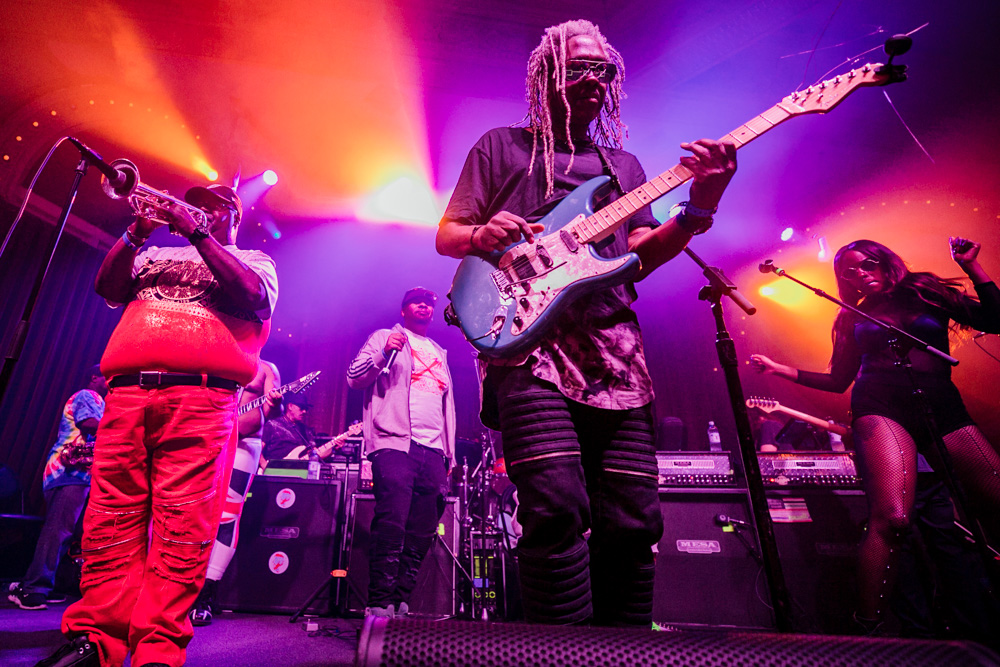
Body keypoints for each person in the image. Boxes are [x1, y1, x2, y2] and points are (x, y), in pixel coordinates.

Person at [435, 19, 737, 627]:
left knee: (633, 514)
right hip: (528, 347)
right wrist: (481, 234)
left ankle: (626, 647)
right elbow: (448, 236)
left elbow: (642, 255)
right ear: (546, 76)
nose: (594, 78)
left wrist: (701, 206)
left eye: (603, 68)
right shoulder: (501, 147)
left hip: (613, 354)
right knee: (554, 506)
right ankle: (561, 648)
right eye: (579, 67)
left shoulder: (621, 165)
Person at [37, 183, 278, 667]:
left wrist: (198, 233)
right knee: (108, 522)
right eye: (194, 204)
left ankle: (156, 651)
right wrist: (136, 231)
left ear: (232, 214)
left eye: (212, 205)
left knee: (182, 528)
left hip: (201, 396)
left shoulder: (255, 260)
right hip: (127, 393)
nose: (198, 210)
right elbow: (107, 289)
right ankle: (95, 642)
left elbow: (253, 297)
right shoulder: (155, 252)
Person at [750, 237, 1000, 633]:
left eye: (866, 265)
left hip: (941, 404)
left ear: (885, 262)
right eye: (849, 273)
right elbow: (837, 380)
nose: (859, 276)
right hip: (880, 407)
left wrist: (973, 267)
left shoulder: (926, 291)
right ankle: (868, 627)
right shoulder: (852, 314)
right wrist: (781, 370)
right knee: (893, 518)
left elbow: (996, 320)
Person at [346, 287, 457, 618]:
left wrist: (448, 452)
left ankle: (401, 599)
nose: (425, 306)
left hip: (434, 449)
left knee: (423, 530)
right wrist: (383, 353)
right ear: (404, 309)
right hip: (394, 443)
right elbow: (354, 378)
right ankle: (379, 602)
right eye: (417, 301)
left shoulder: (439, 351)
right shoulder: (385, 336)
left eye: (430, 303)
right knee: (392, 522)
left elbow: (445, 404)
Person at [189, 360, 282, 626]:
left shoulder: (266, 369)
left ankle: (206, 593)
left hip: (244, 445)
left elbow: (274, 411)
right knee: (189, 511)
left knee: (227, 516)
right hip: (203, 441)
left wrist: (275, 404)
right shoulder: (212, 355)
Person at [8, 365, 108, 611]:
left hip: (80, 474)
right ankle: (31, 588)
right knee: (58, 530)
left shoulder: (102, 402)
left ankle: (45, 585)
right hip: (67, 472)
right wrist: (122, 425)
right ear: (94, 377)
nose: (112, 381)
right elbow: (89, 424)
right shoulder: (88, 395)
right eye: (108, 376)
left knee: (66, 533)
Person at [259, 392, 315, 469]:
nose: (304, 411)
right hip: (273, 472)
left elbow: (315, 455)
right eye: (301, 407)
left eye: (306, 409)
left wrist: (332, 447)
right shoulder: (272, 425)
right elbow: (258, 448)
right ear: (290, 406)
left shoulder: (306, 431)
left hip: (297, 473)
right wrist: (264, 464)